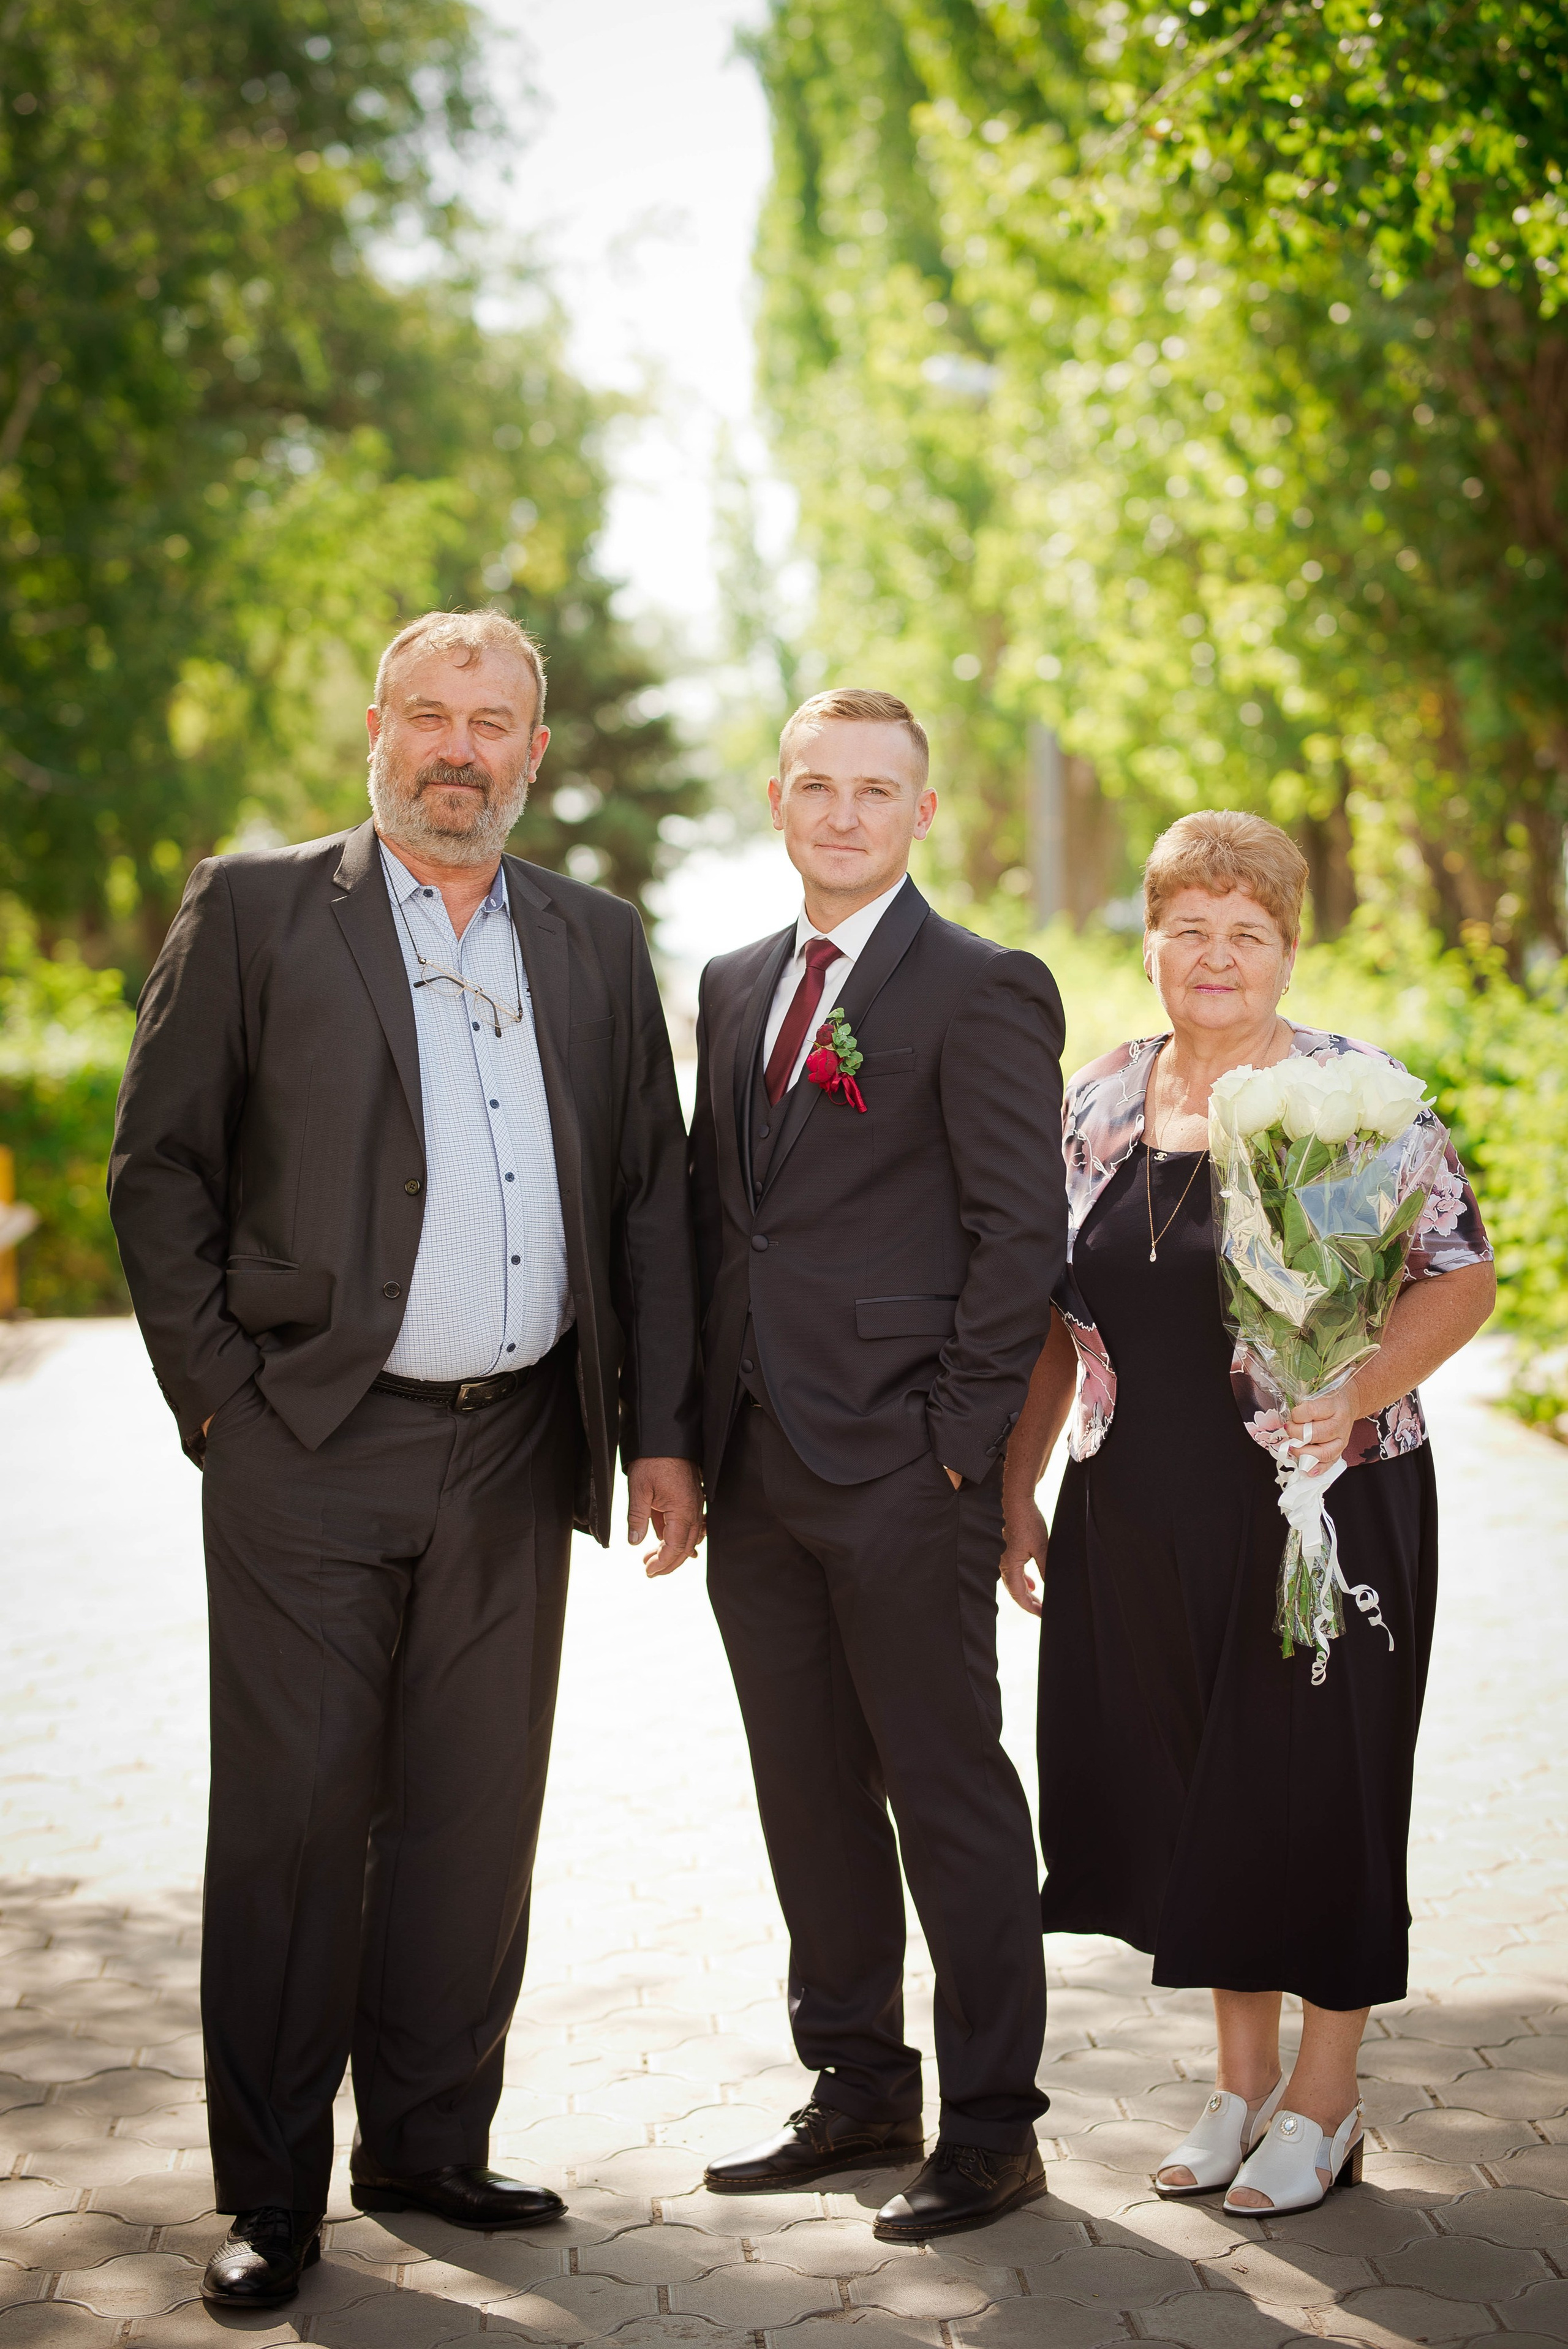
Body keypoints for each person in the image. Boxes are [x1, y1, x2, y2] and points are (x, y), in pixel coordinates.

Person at [108, 609, 703, 2310]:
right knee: (296, 1824)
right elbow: (161, 1169)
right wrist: (221, 1403)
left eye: (490, 719)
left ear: (532, 751)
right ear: (377, 729)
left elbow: (649, 1198)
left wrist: (661, 1432)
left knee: (470, 1815)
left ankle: (430, 2142)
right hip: (307, 1442)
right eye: (429, 713)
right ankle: (270, 2192)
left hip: (518, 1442)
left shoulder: (593, 938)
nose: (458, 745)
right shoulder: (259, 907)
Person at [999, 810, 1495, 2219]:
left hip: (1321, 1508)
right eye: (1188, 929)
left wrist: (1357, 1390)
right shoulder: (1098, 1097)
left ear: (1286, 949)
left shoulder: (1354, 1097)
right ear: (1148, 943)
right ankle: (1236, 2087)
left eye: (1246, 933)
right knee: (1198, 1796)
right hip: (1137, 1510)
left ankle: (1325, 2104)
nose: (1214, 956)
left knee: (1322, 1800)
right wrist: (1021, 1484)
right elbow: (1054, 1318)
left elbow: (1459, 1275)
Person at [683, 687, 1069, 2242]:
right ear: (777, 799)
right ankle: (855, 2087)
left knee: (946, 1792)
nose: (841, 814)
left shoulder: (981, 986)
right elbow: (719, 1225)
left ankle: (990, 2126)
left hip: (909, 1469)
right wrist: (676, 1440)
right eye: (816, 786)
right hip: (754, 1469)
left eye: (874, 790)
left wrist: (955, 1450)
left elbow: (1018, 1236)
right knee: (807, 1793)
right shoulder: (731, 983)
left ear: (922, 813)